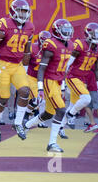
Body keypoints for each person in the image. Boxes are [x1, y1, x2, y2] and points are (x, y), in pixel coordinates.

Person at [0, 0, 35, 142]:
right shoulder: (4, 24)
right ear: (13, 11)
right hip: (3, 64)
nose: (23, 14)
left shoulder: (29, 27)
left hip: (18, 66)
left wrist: (26, 69)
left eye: (25, 11)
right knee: (3, 98)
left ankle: (18, 123)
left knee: (25, 91)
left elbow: (27, 51)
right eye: (20, 11)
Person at [24, 19, 74, 152]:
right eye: (64, 30)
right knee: (61, 110)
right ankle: (52, 143)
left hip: (58, 82)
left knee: (48, 113)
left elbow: (63, 68)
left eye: (69, 30)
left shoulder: (70, 45)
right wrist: (40, 88)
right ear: (57, 31)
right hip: (49, 81)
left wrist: (62, 87)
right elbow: (41, 68)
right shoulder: (50, 44)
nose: (67, 33)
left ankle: (27, 125)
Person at [64, 22, 98, 132]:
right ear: (87, 34)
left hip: (82, 79)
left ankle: (59, 128)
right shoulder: (80, 44)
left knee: (73, 104)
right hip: (72, 77)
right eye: (93, 33)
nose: (96, 36)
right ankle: (70, 114)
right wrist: (62, 82)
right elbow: (67, 64)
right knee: (86, 98)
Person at [24, 30, 52, 128]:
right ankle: (26, 114)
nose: (46, 44)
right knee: (37, 100)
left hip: (42, 78)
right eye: (44, 41)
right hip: (31, 77)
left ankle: (39, 120)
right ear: (40, 40)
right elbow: (25, 61)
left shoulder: (51, 50)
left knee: (43, 101)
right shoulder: (33, 47)